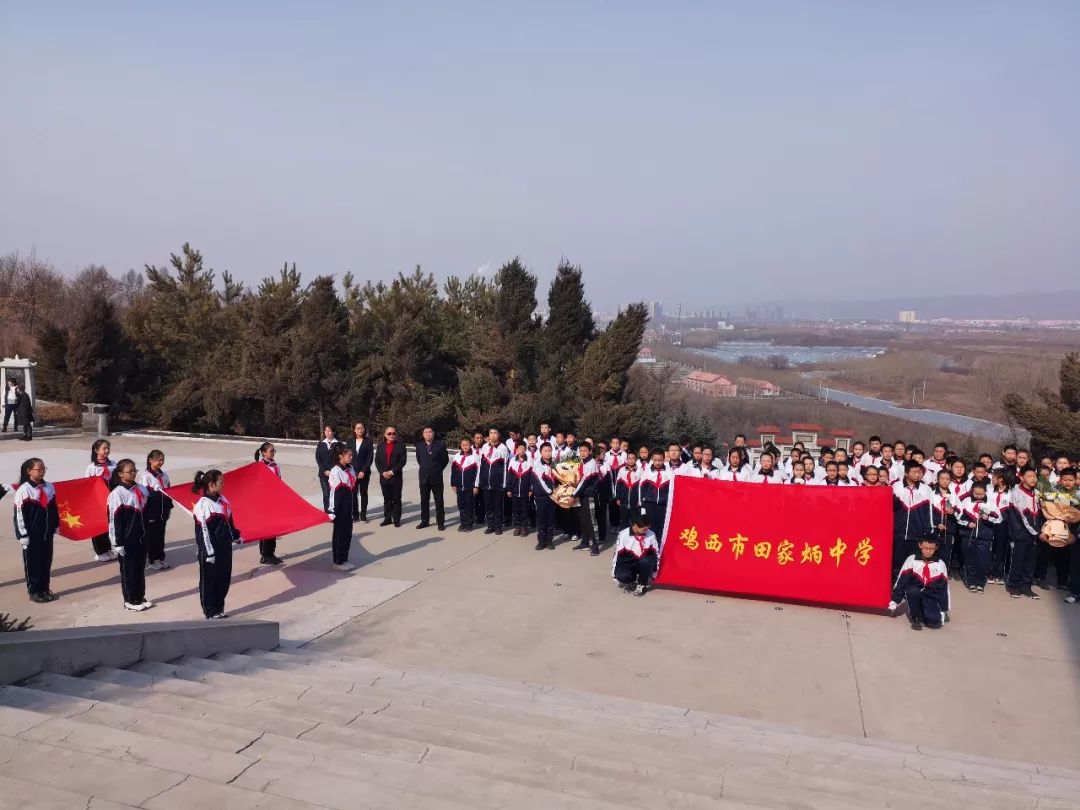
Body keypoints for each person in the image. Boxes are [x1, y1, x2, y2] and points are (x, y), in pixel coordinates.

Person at [192, 469, 241, 620]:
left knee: (223, 579)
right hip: (210, 552)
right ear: (212, 485)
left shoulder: (223, 500)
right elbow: (204, 532)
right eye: (221, 482)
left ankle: (219, 608)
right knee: (209, 582)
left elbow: (229, 522)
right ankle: (210, 611)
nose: (224, 485)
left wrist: (235, 536)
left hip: (225, 548)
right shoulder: (203, 505)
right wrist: (209, 552)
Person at [108, 459, 153, 612]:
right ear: (120, 474)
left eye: (135, 470)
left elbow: (147, 508)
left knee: (139, 568)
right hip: (127, 539)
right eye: (129, 471)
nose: (133, 473)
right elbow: (114, 520)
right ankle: (130, 599)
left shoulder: (140, 488)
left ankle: (139, 596)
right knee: (129, 570)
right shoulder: (117, 494)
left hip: (141, 536)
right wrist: (117, 542)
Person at [12, 457, 59, 603]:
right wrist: (22, 534)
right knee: (33, 563)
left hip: (46, 533)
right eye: (39, 469)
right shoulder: (24, 490)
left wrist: (55, 524)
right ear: (29, 471)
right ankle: (34, 591)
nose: (42, 472)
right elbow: (19, 514)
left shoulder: (49, 487)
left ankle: (45, 588)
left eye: (44, 469)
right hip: (32, 535)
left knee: (46, 561)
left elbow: (53, 508)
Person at [889, 536, 949, 631]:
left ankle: (927, 614)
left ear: (936, 548)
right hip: (915, 592)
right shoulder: (912, 560)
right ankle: (916, 617)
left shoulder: (940, 564)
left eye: (931, 549)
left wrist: (943, 610)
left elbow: (944, 589)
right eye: (925, 548)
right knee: (913, 591)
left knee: (934, 623)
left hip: (931, 595)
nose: (928, 551)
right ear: (920, 545)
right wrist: (895, 600)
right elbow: (902, 580)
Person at [1007, 466, 1044, 599]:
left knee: (1030, 561)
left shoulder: (1037, 493)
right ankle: (1013, 585)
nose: (1033, 479)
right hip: (1020, 534)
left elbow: (1040, 514)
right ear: (1021, 477)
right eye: (1029, 476)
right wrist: (1037, 532)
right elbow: (1023, 517)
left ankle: (1026, 586)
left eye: (1034, 476)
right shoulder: (1017, 493)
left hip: (1034, 534)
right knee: (1018, 560)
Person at [892, 460, 934, 576]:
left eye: (919, 472)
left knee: (914, 564)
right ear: (906, 473)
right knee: (897, 563)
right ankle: (896, 588)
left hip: (916, 534)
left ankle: (910, 589)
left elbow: (929, 513)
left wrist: (928, 533)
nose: (917, 475)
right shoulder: (896, 487)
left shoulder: (926, 490)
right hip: (898, 534)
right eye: (914, 472)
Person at [956, 480, 1000, 593]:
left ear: (985, 492)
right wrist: (967, 523)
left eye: (981, 494)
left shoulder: (990, 502)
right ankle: (971, 582)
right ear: (972, 492)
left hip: (985, 537)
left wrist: (988, 517)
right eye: (976, 494)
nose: (979, 496)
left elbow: (999, 518)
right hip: (968, 536)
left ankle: (980, 582)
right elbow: (958, 517)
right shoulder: (966, 502)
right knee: (969, 561)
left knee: (982, 561)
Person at [138, 449, 173, 571]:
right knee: (151, 536)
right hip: (151, 512)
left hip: (163, 511)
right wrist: (156, 494)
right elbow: (143, 495)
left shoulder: (164, 475)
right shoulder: (146, 476)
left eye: (163, 460)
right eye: (159, 460)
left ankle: (160, 557)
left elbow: (169, 490)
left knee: (160, 535)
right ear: (151, 460)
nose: (161, 462)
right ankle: (152, 559)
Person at [612, 510, 660, 596]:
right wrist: (614, 572)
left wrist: (655, 572)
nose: (646, 531)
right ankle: (632, 580)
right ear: (635, 526)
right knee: (622, 576)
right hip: (629, 561)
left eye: (647, 528)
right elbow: (616, 554)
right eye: (644, 529)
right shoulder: (623, 534)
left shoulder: (651, 534)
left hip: (644, 562)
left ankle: (642, 583)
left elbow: (657, 553)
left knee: (646, 560)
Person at [85, 439, 117, 561]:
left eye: (108, 448)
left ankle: (107, 549)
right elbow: (87, 485)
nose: (107, 450)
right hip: (97, 500)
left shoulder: (113, 464)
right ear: (96, 450)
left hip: (111, 498)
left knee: (108, 524)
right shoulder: (91, 468)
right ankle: (100, 551)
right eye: (104, 448)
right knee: (98, 525)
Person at [253, 442, 284, 565]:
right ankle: (266, 554)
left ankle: (269, 553)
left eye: (274, 450)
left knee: (273, 528)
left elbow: (279, 482)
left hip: (274, 500)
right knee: (267, 528)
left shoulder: (275, 465)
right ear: (264, 453)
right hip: (265, 502)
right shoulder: (261, 466)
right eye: (271, 451)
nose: (273, 453)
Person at [328, 444, 357, 570]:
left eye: (351, 455)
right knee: (339, 534)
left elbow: (352, 486)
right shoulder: (336, 471)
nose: (351, 457)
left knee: (347, 533)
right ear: (341, 456)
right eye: (348, 455)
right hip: (339, 507)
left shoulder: (350, 469)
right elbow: (334, 492)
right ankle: (337, 561)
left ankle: (344, 558)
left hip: (348, 504)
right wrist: (332, 510)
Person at [476, 428, 510, 535]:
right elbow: (481, 465)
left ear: (499, 435)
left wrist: (504, 483)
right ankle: (490, 525)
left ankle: (498, 526)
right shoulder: (485, 447)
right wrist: (480, 480)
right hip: (486, 482)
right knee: (488, 505)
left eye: (495, 433)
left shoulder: (503, 448)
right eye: (491, 433)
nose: (493, 435)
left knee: (498, 506)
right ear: (488, 435)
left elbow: (505, 467)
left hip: (498, 483)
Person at [570, 441, 602, 555]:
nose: (582, 453)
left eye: (585, 451)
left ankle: (595, 545)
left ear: (590, 452)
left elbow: (584, 482)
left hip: (589, 496)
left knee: (591, 521)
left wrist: (573, 495)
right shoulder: (582, 463)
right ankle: (585, 542)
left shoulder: (591, 463)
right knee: (583, 520)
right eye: (581, 451)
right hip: (582, 496)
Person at [415, 426, 449, 530]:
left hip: (436, 478)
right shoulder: (419, 445)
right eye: (426, 432)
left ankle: (440, 523)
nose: (428, 434)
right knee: (424, 501)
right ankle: (424, 521)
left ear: (433, 434)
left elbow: (445, 460)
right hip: (424, 478)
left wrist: (437, 469)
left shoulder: (440, 445)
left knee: (439, 501)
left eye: (430, 432)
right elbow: (419, 459)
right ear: (423, 434)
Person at [375, 425, 407, 527]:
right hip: (383, 477)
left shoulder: (401, 445)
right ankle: (387, 518)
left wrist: (392, 472)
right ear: (385, 435)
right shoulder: (380, 446)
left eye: (394, 433)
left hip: (396, 477)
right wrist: (382, 472)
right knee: (387, 499)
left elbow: (403, 461)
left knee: (396, 499)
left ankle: (396, 519)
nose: (392, 435)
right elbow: (377, 461)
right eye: (389, 433)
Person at [640, 449, 672, 545]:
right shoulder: (646, 472)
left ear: (664, 460)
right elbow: (641, 489)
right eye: (655, 460)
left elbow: (672, 490)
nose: (657, 462)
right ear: (652, 459)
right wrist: (642, 505)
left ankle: (660, 547)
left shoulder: (669, 473)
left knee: (662, 527)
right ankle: (651, 547)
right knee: (650, 527)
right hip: (650, 504)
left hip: (664, 505)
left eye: (660, 460)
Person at [530, 442, 557, 549]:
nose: (548, 453)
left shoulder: (556, 463)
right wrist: (551, 492)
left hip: (554, 496)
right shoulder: (537, 464)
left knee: (550, 520)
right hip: (541, 496)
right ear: (541, 452)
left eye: (550, 450)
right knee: (541, 520)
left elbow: (560, 479)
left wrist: (558, 492)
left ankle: (550, 541)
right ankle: (541, 541)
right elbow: (541, 481)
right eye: (545, 451)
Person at [450, 437, 479, 532]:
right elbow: (453, 471)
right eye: (463, 445)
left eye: (467, 445)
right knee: (461, 505)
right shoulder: (457, 456)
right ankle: (463, 522)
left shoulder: (474, 456)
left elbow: (478, 472)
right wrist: (453, 484)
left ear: (470, 444)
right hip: (459, 486)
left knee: (469, 505)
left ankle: (469, 523)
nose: (465, 447)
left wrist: (475, 485)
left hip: (469, 486)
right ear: (460, 445)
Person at [505, 442, 533, 536]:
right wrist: (509, 489)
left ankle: (524, 527)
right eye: (519, 449)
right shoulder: (512, 460)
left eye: (522, 448)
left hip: (525, 491)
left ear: (525, 450)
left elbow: (532, 477)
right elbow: (509, 476)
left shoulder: (530, 461)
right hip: (514, 490)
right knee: (516, 510)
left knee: (524, 510)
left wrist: (530, 489)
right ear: (516, 450)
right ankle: (517, 527)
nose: (521, 450)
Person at [349, 422, 374, 522]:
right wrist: (350, 470)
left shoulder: (368, 441)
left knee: (364, 493)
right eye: (358, 428)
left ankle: (363, 514)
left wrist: (363, 471)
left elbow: (370, 458)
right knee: (353, 494)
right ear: (354, 430)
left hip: (364, 472)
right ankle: (355, 515)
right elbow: (347, 456)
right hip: (352, 472)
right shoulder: (350, 441)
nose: (360, 430)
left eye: (362, 428)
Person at [614, 453, 643, 529]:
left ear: (636, 460)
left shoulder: (640, 471)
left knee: (635, 522)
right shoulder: (622, 470)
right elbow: (618, 484)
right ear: (626, 460)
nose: (631, 460)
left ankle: (634, 538)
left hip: (635, 501)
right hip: (624, 501)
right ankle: (623, 538)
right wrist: (618, 497)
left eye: (633, 458)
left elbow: (642, 486)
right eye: (629, 458)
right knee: (623, 521)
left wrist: (640, 500)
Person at [315, 426, 337, 513]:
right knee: (326, 493)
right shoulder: (321, 444)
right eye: (326, 431)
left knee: (334, 494)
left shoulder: (338, 444)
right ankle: (327, 512)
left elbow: (340, 459)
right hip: (323, 474)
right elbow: (318, 459)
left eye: (329, 431)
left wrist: (332, 471)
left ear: (333, 432)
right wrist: (325, 470)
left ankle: (334, 511)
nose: (327, 432)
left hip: (335, 474)